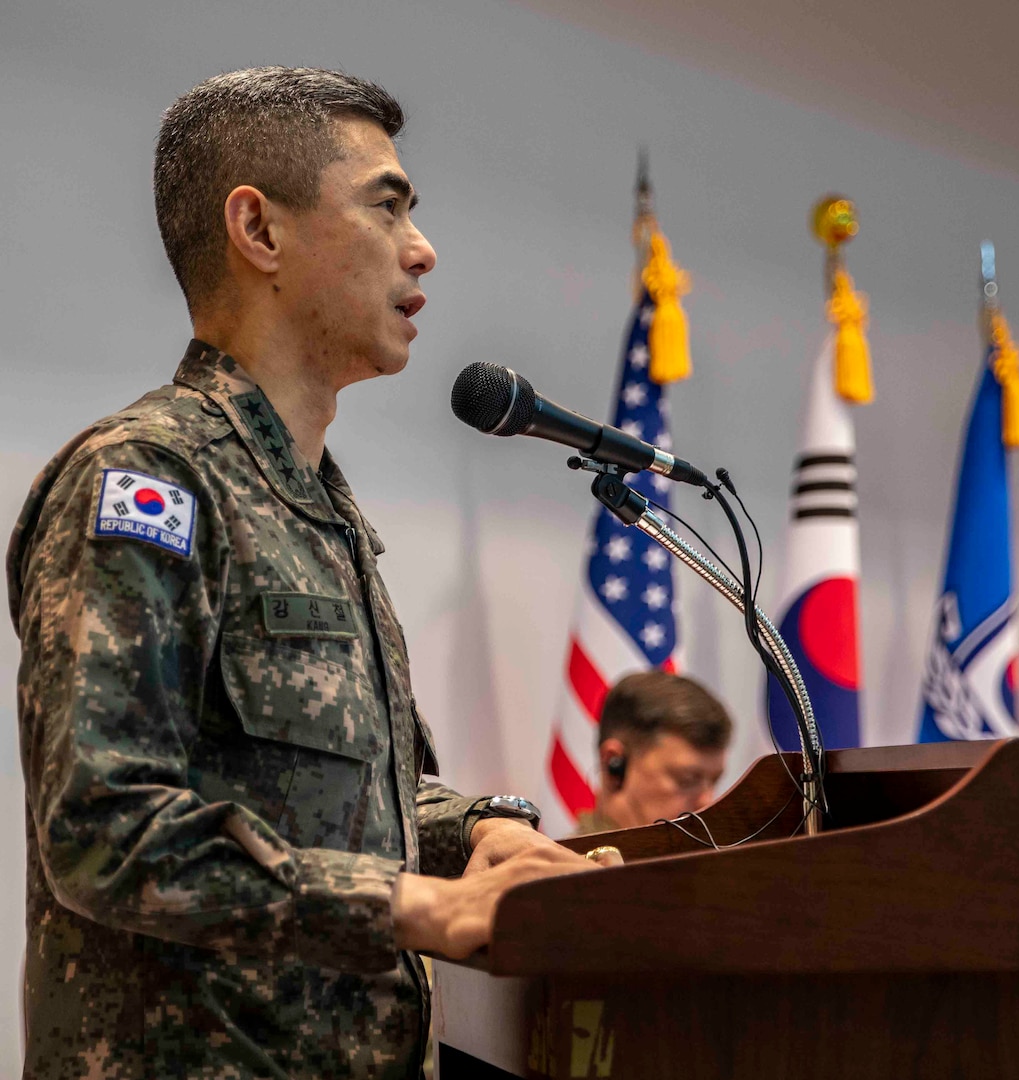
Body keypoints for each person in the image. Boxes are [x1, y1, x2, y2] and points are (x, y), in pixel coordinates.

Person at [7, 66, 617, 1080]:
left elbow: (349, 804)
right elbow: (102, 827)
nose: (421, 247)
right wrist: (410, 904)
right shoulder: (148, 480)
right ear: (259, 232)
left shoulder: (320, 509)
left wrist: (476, 838)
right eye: (387, 205)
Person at [574, 671, 732, 835]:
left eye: (714, 781)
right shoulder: (568, 860)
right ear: (614, 765)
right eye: (687, 780)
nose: (707, 803)